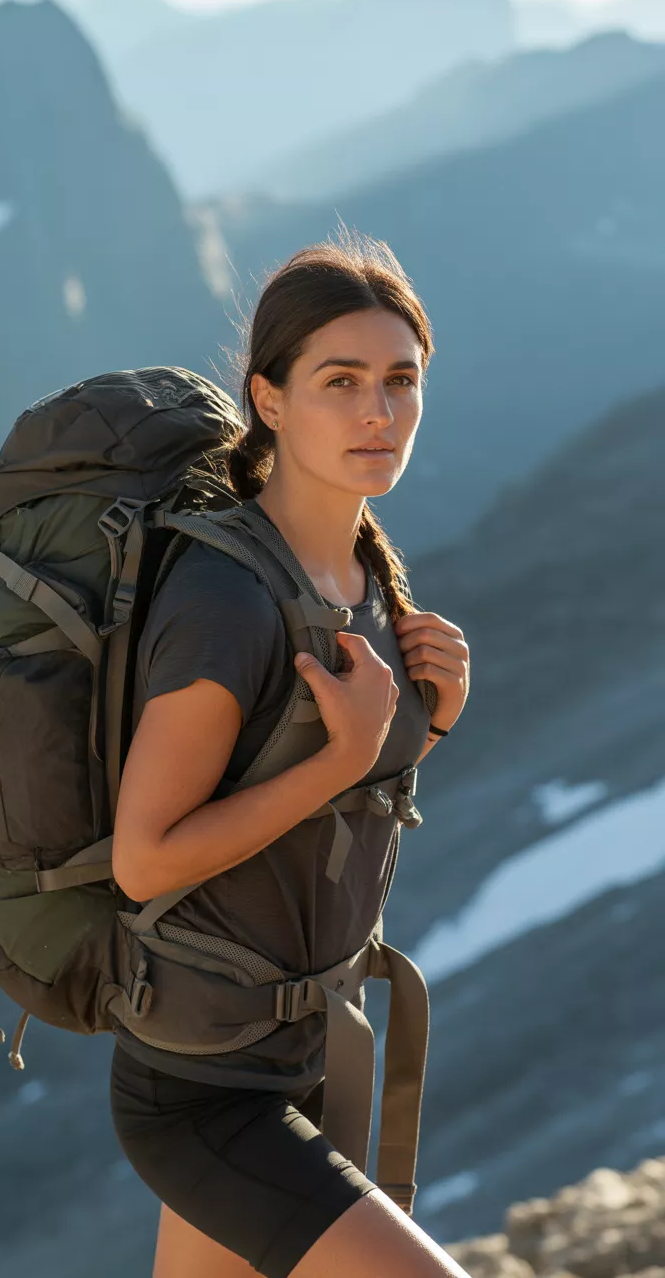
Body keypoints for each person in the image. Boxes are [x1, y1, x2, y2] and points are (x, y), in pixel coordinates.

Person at [110, 228, 471, 1278]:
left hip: (306, 1052)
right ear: (270, 399)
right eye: (341, 380)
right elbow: (147, 857)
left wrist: (429, 723)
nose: (378, 412)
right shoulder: (226, 599)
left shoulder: (362, 574)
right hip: (206, 1089)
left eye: (401, 380)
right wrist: (343, 759)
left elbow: (327, 811)